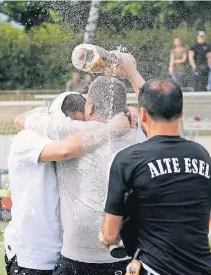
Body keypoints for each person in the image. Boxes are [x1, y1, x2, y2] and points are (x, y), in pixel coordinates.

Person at [18, 72, 146, 275]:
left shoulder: (73, 131)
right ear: (123, 110)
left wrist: (30, 116)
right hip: (126, 255)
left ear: (90, 107)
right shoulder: (139, 136)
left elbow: (27, 120)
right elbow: (155, 108)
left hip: (78, 257)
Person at [100, 68, 211, 274]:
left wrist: (106, 237)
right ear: (181, 112)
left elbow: (110, 234)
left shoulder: (128, 159)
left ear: (143, 114)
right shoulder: (202, 155)